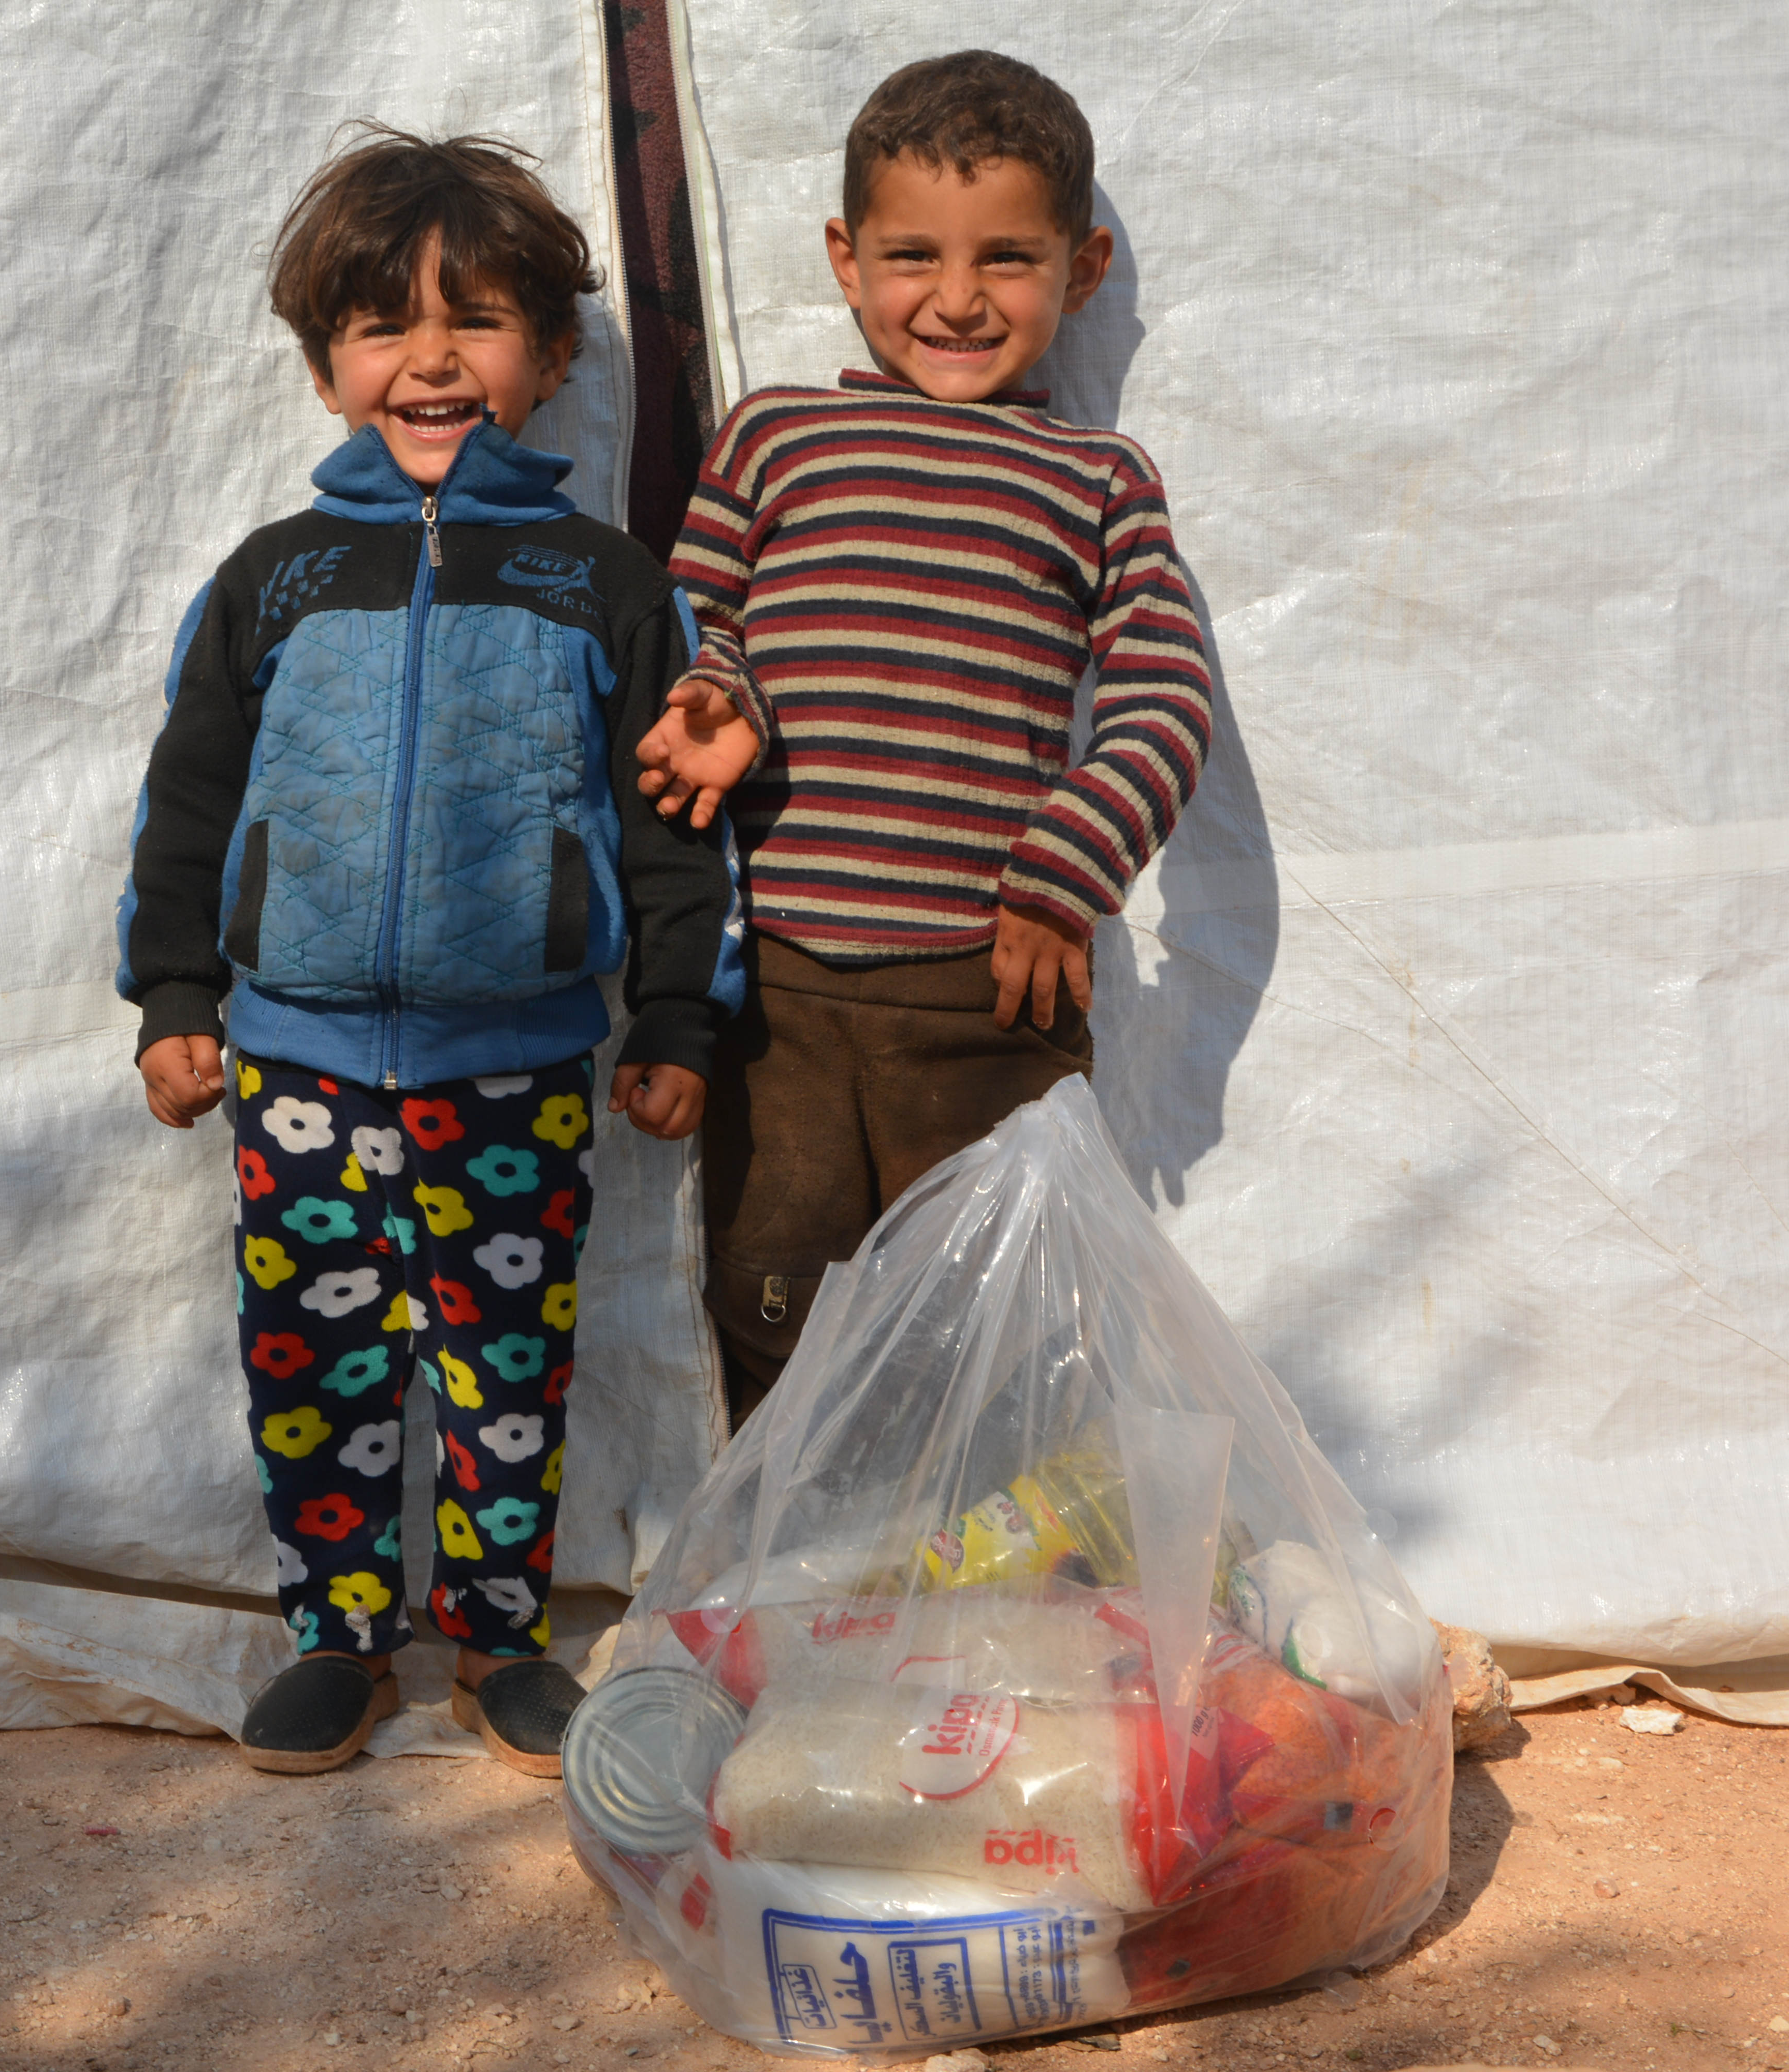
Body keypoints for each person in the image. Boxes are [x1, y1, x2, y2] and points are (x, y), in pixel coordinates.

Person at [118, 128, 739, 1778]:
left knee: (502, 1364)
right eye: (386, 323)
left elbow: (672, 822)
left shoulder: (606, 586)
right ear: (329, 368)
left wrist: (677, 1013)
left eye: (476, 319)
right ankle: (335, 1637)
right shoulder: (275, 580)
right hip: (299, 1057)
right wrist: (178, 997)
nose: (433, 357)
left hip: (520, 1060)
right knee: (315, 1361)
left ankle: (496, 1640)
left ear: (543, 357)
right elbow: (188, 804)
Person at [635, 52, 1216, 1421]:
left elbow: (1162, 692)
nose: (956, 299)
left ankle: (984, 1571)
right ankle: (810, 1551)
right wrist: (723, 703)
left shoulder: (1098, 479)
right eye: (912, 254)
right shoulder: (778, 436)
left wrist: (1068, 864)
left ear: (1083, 270)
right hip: (780, 983)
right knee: (771, 1288)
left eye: (1006, 259)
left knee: (998, 1301)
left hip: (988, 986)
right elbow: (692, 620)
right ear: (846, 257)